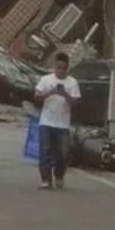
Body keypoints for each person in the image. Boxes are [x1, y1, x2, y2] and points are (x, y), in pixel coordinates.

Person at [33, 52, 80, 190]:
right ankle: (46, 179)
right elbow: (36, 97)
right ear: (54, 67)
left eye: (63, 68)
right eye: (58, 68)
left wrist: (65, 94)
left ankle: (59, 175)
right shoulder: (46, 80)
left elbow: (76, 103)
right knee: (44, 151)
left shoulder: (72, 83)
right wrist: (50, 93)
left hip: (63, 124)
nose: (60, 71)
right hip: (46, 122)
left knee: (63, 153)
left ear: (67, 68)